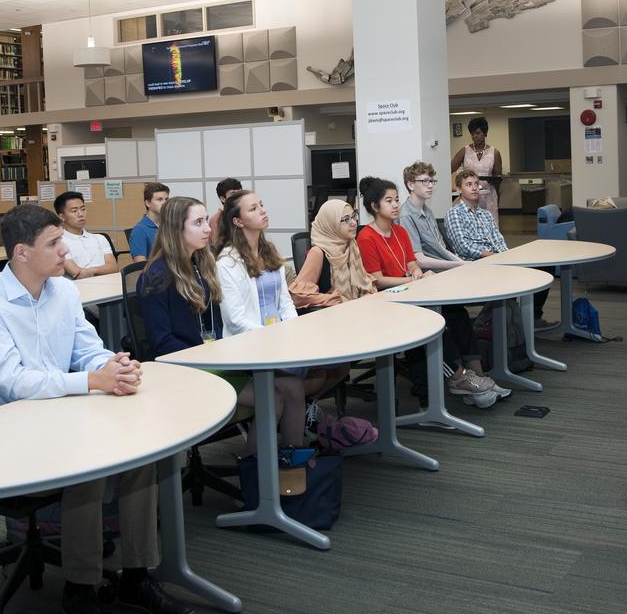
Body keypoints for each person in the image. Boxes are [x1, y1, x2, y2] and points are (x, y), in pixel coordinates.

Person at [0, 204, 192, 614]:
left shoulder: (62, 291)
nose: (65, 248)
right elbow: (11, 383)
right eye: (54, 242)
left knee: (141, 449)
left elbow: (86, 348)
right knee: (91, 461)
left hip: (61, 408)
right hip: (2, 422)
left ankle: (136, 575)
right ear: (21, 253)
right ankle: (81, 586)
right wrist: (91, 380)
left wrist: (113, 364)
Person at [140, 196, 305, 450]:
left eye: (206, 220)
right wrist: (209, 354)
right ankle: (259, 475)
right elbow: (162, 343)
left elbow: (215, 326)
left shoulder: (200, 264)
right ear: (176, 229)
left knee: (292, 386)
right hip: (185, 368)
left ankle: (292, 464)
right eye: (198, 222)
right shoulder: (156, 276)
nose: (208, 228)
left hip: (213, 358)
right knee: (272, 399)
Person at [355, 177, 504, 407]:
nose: (396, 205)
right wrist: (410, 278)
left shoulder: (400, 232)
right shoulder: (366, 237)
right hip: (386, 303)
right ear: (374, 206)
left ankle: (478, 375)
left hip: (411, 294)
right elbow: (377, 279)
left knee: (458, 314)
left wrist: (416, 272)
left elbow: (412, 262)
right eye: (389, 201)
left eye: (396, 199)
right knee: (436, 323)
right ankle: (458, 377)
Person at [214, 190, 350, 418]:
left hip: (280, 338)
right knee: (297, 384)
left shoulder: (269, 252)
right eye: (253, 208)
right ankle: (291, 436)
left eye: (261, 204)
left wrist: (292, 332)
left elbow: (285, 301)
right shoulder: (227, 262)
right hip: (251, 344)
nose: (263, 210)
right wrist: (275, 339)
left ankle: (297, 416)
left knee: (337, 367)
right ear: (237, 221)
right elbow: (236, 321)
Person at [445, 169, 554, 329]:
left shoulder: (485, 214)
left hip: (496, 261)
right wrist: (494, 257)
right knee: (521, 275)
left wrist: (508, 257)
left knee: (544, 266)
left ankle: (532, 317)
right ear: (459, 190)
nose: (475, 188)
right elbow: (464, 247)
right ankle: (513, 321)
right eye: (469, 185)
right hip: (474, 265)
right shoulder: (454, 214)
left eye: (476, 184)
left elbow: (498, 240)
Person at [397, 161, 466, 272]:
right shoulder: (406, 216)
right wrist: (458, 264)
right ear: (411, 185)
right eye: (424, 181)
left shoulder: (427, 211)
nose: (430, 186)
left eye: (432, 181)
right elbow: (419, 260)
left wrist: (462, 263)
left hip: (446, 267)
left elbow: (441, 249)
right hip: (430, 273)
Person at [55, 191, 118, 280]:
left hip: (107, 285)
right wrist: (102, 270)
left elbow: (113, 268)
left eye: (83, 209)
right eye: (74, 211)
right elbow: (76, 273)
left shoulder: (100, 238)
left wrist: (92, 270)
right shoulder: (58, 243)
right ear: (62, 216)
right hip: (80, 289)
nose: (81, 214)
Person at [450, 116, 503, 214]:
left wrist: (497, 195)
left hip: (488, 196)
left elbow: (498, 178)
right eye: (472, 134)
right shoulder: (464, 151)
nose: (475, 136)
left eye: (478, 133)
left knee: (488, 225)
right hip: (469, 195)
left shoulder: (494, 152)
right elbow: (450, 168)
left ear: (485, 133)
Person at [128, 182, 170, 262]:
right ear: (148, 203)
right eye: (159, 199)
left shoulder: (170, 226)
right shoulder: (140, 231)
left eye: (166, 199)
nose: (165, 203)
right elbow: (140, 265)